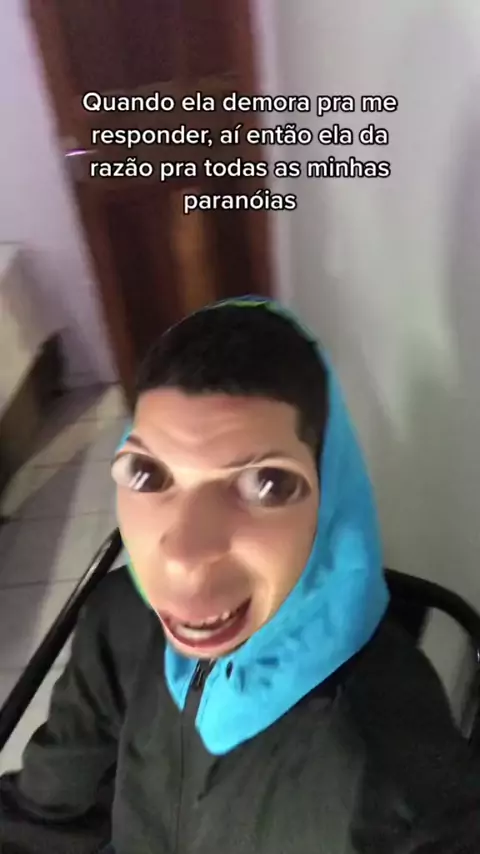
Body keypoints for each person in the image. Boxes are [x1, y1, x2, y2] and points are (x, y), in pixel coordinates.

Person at [0, 296, 479, 854]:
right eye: (149, 473)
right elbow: (49, 809)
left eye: (267, 484)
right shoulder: (118, 622)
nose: (183, 554)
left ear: (329, 505)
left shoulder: (398, 769)